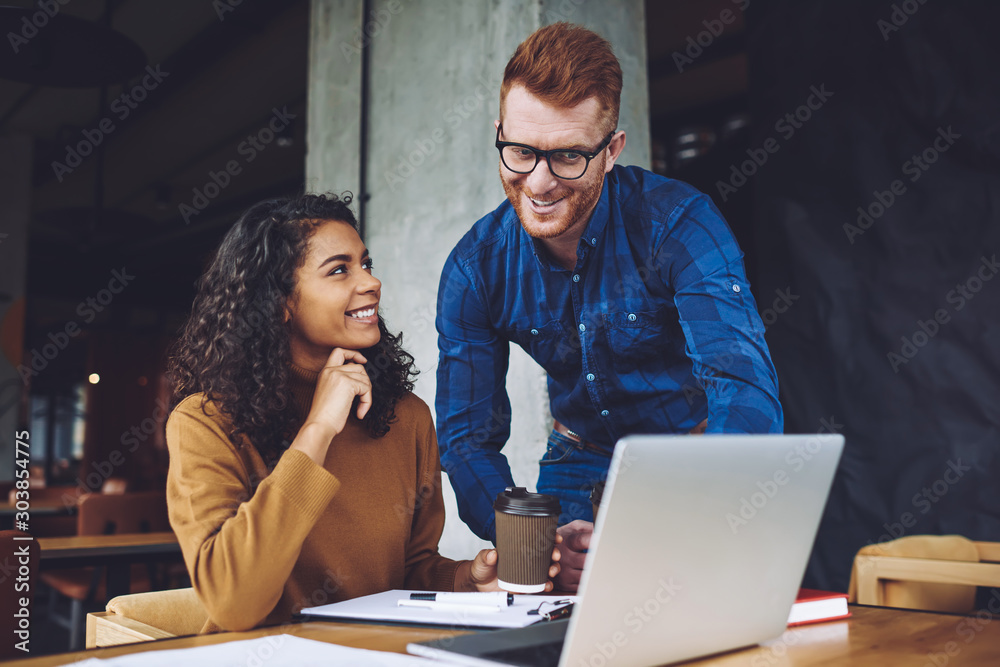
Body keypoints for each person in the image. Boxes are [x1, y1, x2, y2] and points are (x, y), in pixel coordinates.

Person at [435, 23, 783, 592]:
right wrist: (531, 537)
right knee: (564, 623)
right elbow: (467, 440)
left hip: (694, 456)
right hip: (579, 457)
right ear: (499, 133)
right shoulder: (476, 269)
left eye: (569, 155)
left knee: (704, 610)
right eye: (520, 151)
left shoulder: (680, 224)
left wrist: (670, 524)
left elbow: (743, 390)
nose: (540, 183)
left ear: (612, 150)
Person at [165, 193, 559, 632]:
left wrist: (468, 578)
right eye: (339, 270)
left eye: (365, 264)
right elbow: (234, 602)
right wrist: (318, 428)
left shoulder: (406, 417)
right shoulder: (205, 422)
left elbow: (409, 573)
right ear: (278, 302)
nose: (371, 282)